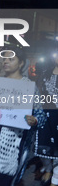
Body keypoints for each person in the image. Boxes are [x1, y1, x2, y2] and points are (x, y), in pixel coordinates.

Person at [0, 48, 46, 186]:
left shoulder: (28, 87)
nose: (6, 62)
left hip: (15, 143)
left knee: (4, 179)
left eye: (11, 59)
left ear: (21, 63)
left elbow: (41, 115)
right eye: (4, 59)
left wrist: (34, 120)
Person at [35, 51, 58, 186]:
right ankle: (48, 168)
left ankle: (55, 173)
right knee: (43, 144)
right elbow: (37, 92)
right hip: (46, 115)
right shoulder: (45, 73)